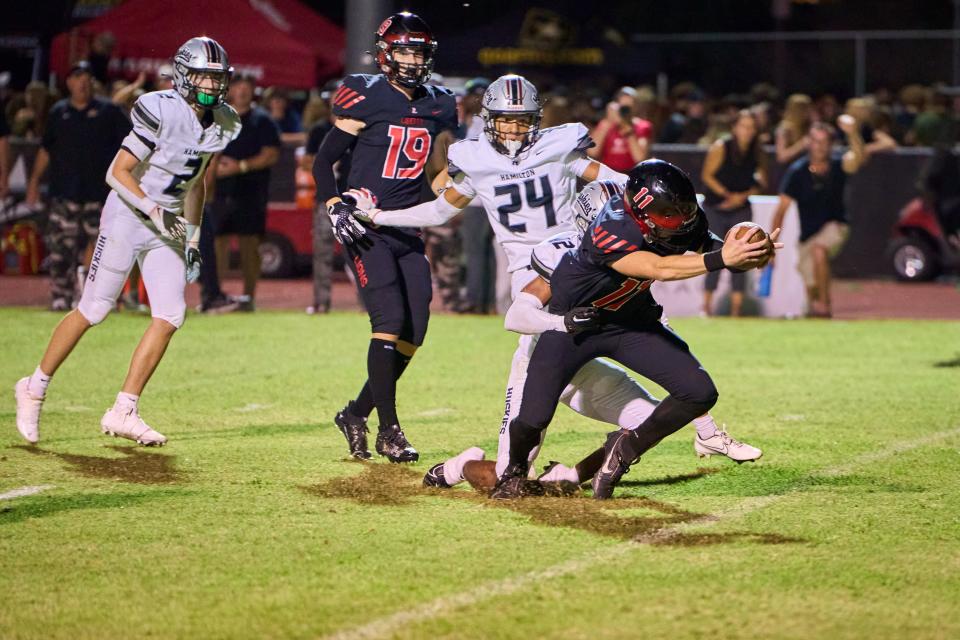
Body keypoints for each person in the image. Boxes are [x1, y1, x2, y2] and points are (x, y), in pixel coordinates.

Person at [422, 180, 762, 493]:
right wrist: (562, 323)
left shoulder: (646, 238)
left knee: (649, 425)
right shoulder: (562, 253)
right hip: (548, 351)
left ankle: (571, 477)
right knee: (506, 475)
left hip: (595, 356)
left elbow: (659, 320)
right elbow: (517, 315)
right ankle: (456, 467)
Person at [13, 37, 241, 446]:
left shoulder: (223, 120)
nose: (211, 85)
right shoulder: (160, 110)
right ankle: (34, 386)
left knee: (170, 315)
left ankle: (124, 409)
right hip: (127, 215)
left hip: (166, 223)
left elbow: (197, 182)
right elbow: (117, 172)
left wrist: (192, 236)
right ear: (185, 75)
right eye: (204, 76)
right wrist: (153, 210)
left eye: (217, 77)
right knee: (94, 309)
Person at [312, 12, 458, 463]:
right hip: (367, 226)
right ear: (385, 55)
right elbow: (323, 163)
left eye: (419, 52)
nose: (413, 60)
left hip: (406, 224)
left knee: (415, 331)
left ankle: (356, 413)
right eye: (405, 51)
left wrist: (457, 194)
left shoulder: (438, 104)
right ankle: (389, 430)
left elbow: (434, 170)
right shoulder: (366, 96)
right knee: (389, 322)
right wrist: (335, 206)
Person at [25, 61, 130, 310]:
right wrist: (33, 181)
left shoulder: (109, 112)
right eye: (77, 77)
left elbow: (131, 145)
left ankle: (106, 299)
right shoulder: (58, 113)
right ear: (69, 83)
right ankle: (61, 296)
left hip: (100, 196)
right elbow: (46, 150)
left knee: (108, 251)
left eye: (86, 78)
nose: (82, 83)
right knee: (61, 250)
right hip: (65, 194)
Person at [770, 118, 865, 318]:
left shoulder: (839, 165)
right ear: (808, 142)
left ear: (830, 144)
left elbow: (857, 158)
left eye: (824, 142)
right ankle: (820, 308)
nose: (820, 147)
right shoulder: (797, 171)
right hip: (808, 234)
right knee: (809, 280)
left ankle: (822, 304)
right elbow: (781, 210)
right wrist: (771, 244)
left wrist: (853, 133)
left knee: (819, 250)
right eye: (815, 141)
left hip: (836, 226)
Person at [210, 74, 281, 312]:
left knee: (249, 244)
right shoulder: (217, 117)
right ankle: (215, 294)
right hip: (219, 192)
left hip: (251, 192)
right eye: (237, 87)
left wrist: (239, 167)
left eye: (246, 87)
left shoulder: (263, 121)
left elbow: (271, 154)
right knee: (216, 243)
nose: (241, 91)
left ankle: (249, 297)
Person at [701, 109, 768, 317]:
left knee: (742, 257)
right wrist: (727, 195)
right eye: (744, 126)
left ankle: (736, 311)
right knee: (713, 255)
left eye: (751, 127)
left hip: (740, 209)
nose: (748, 131)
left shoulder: (757, 151)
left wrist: (743, 196)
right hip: (716, 209)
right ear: (734, 128)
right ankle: (706, 309)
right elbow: (707, 175)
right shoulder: (721, 147)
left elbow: (762, 181)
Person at [587, 87, 651, 172]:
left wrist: (626, 127)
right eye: (622, 107)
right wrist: (608, 121)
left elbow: (639, 158)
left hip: (631, 174)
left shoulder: (642, 126)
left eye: (627, 107)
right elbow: (592, 152)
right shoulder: (605, 125)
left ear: (635, 107)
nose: (624, 111)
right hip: (608, 175)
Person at [775, 94, 813, 164]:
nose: (809, 112)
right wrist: (801, 144)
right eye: (806, 109)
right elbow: (781, 157)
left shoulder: (807, 126)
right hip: (789, 170)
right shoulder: (784, 129)